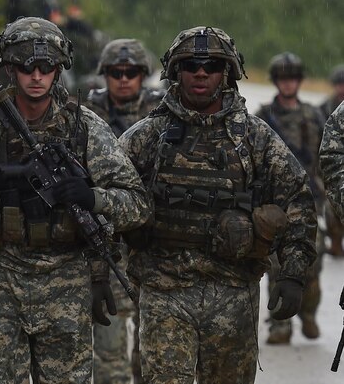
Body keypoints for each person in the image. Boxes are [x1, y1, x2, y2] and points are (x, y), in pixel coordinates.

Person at [0, 16, 151, 383]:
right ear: (10, 69)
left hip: (65, 278)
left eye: (46, 67)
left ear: (58, 69)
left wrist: (91, 197)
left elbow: (137, 204)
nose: (36, 75)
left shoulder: (85, 127)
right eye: (26, 66)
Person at [119, 27, 317, 384]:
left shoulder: (254, 137)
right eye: (191, 64)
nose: (200, 72)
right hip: (164, 292)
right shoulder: (147, 137)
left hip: (233, 294)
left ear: (225, 72)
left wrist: (293, 273)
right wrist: (102, 275)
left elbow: (297, 199)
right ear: (176, 71)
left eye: (210, 64)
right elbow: (110, 200)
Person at [85, 38, 164, 384]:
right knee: (108, 350)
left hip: (153, 245)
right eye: (116, 72)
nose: (123, 79)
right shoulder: (86, 117)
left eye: (131, 72)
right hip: (106, 245)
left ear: (142, 75)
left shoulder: (162, 115)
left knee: (152, 354)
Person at [254, 52, 326, 344]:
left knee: (312, 260)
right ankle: (280, 323)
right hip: (275, 203)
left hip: (309, 199)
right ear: (275, 82)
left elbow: (326, 157)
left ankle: (308, 312)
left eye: (293, 78)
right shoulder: (263, 116)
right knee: (275, 263)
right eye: (283, 79)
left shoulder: (313, 116)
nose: (288, 84)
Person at [319, 64, 344, 257]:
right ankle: (336, 242)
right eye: (339, 84)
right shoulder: (324, 110)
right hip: (330, 170)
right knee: (331, 205)